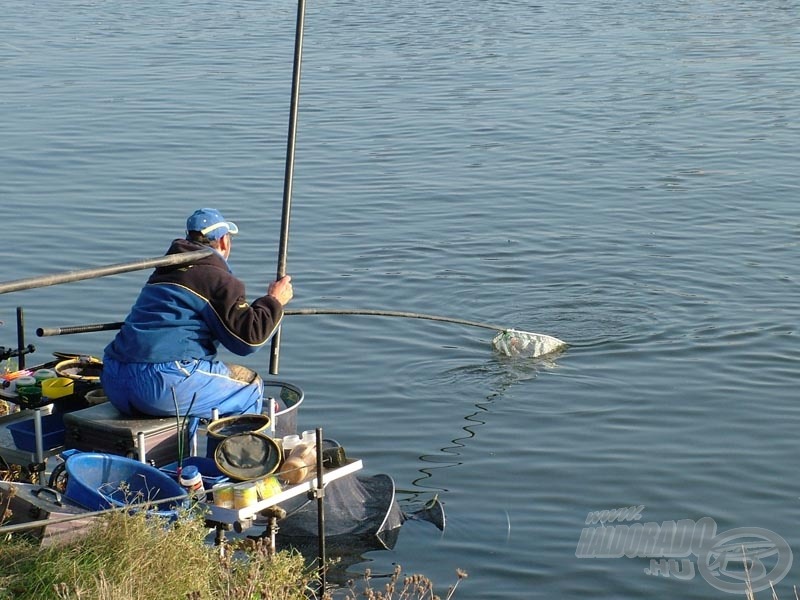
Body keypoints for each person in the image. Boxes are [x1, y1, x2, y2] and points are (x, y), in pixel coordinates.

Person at [101, 208, 293, 423]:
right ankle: (234, 455)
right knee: (250, 388)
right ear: (223, 241)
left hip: (114, 377)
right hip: (163, 382)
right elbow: (249, 340)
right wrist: (274, 301)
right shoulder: (216, 278)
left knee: (205, 385)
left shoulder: (163, 272)